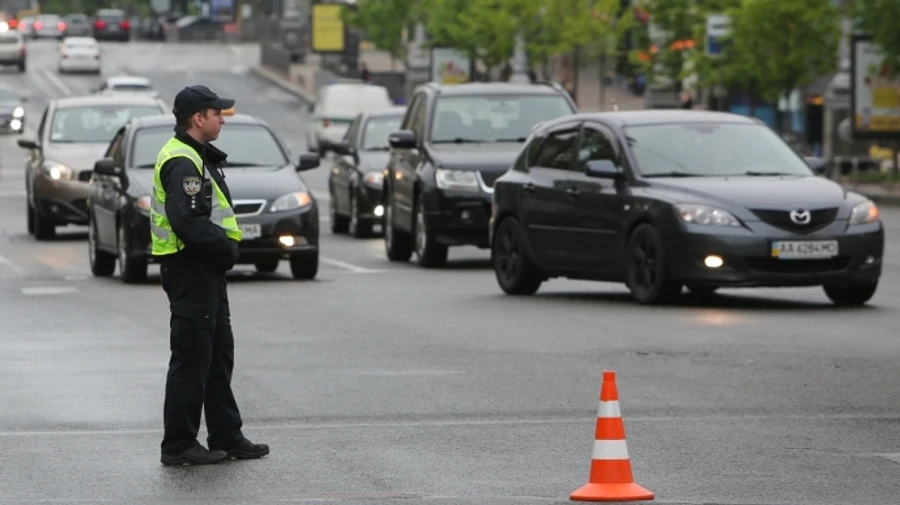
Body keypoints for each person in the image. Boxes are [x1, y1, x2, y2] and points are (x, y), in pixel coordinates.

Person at [149, 85, 269, 466]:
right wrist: (226, 247)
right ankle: (179, 444)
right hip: (191, 269)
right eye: (216, 113)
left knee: (217, 356)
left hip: (206, 271)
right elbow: (187, 221)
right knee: (192, 357)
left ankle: (226, 435)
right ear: (197, 119)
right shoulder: (183, 161)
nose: (222, 118)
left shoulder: (198, 156)